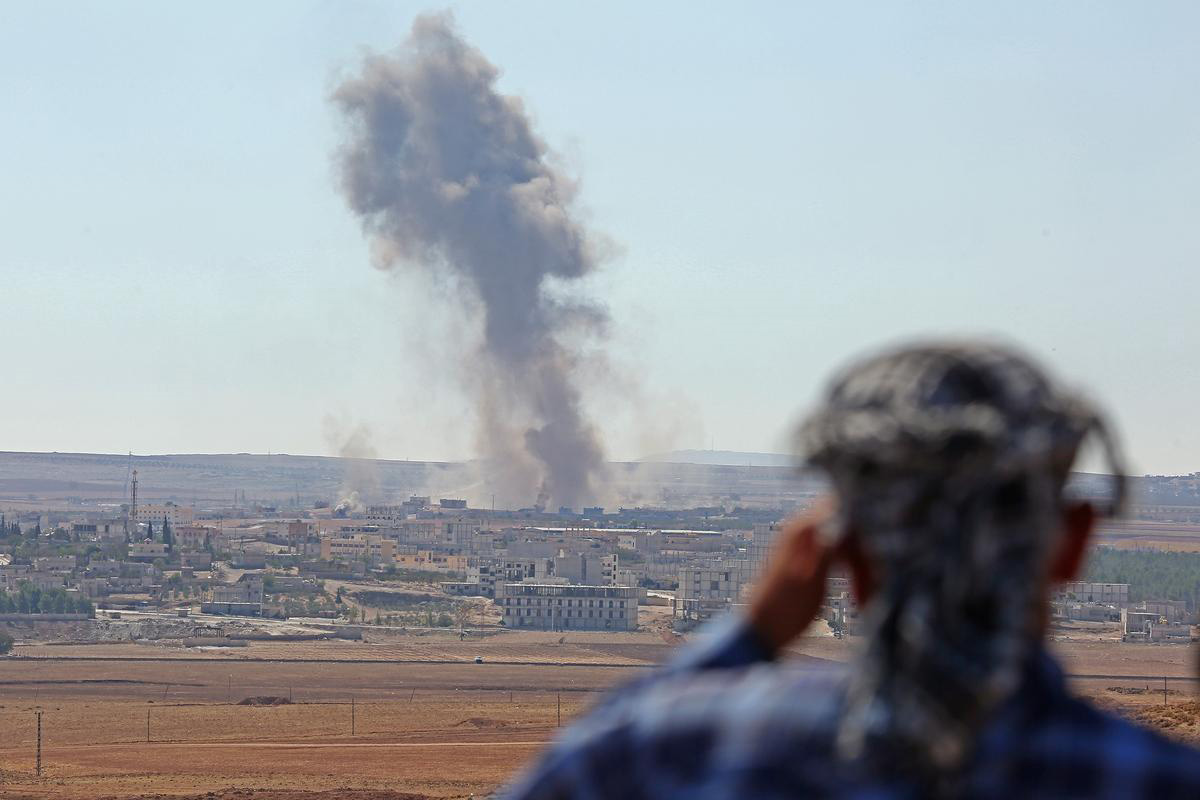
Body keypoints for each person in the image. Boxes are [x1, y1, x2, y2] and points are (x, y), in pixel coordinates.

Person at [502, 342, 1200, 799]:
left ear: (845, 555)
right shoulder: (1155, 779)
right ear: (1074, 543)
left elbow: (580, 764)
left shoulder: (676, 753)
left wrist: (750, 633)